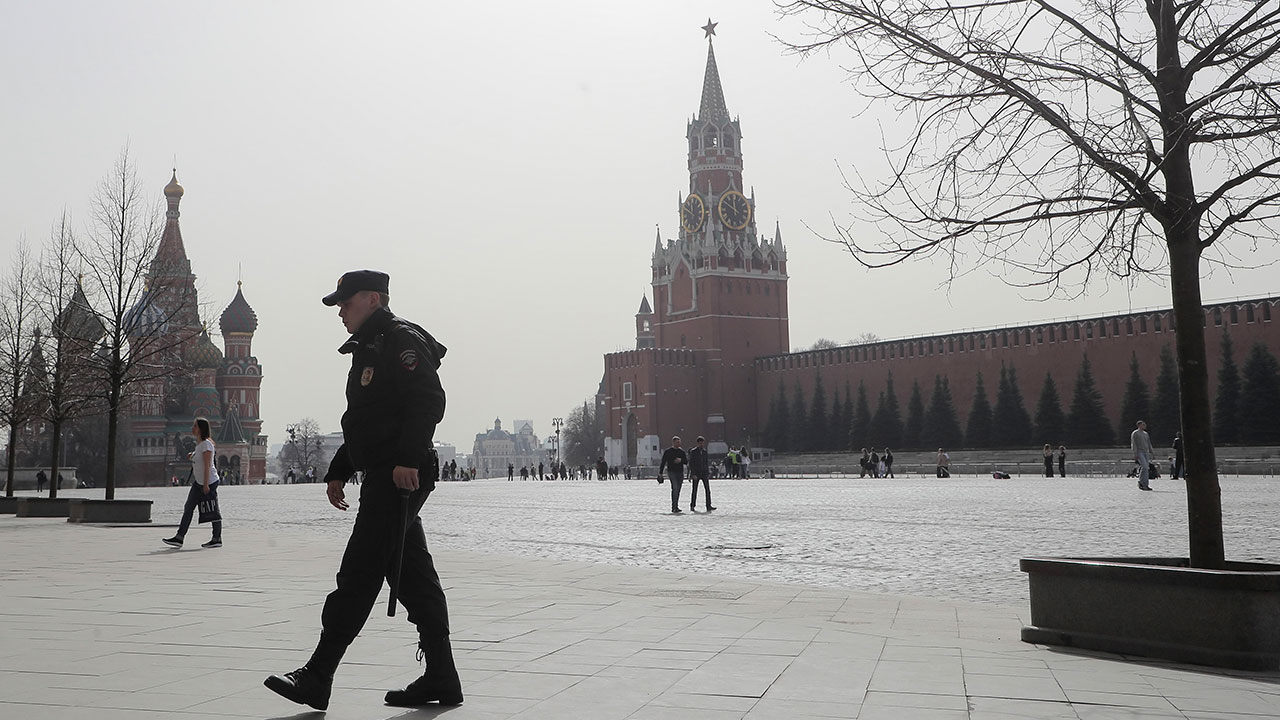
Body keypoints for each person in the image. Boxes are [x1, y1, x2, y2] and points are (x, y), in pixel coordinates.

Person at [265, 270, 461, 710]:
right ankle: (442, 677)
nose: (340, 311)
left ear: (373, 299)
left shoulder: (398, 341)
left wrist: (408, 458)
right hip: (386, 472)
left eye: (346, 302)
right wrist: (340, 466)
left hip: (399, 476)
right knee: (412, 576)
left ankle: (318, 675)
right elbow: (369, 420)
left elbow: (428, 400)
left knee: (360, 571)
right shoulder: (371, 347)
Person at [163, 417, 222, 549]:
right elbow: (198, 456)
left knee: (212, 509)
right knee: (188, 508)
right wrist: (192, 455)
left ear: (201, 429)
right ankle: (179, 538)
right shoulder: (200, 444)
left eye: (195, 426)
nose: (192, 428)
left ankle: (217, 538)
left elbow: (207, 465)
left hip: (209, 482)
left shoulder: (206, 444)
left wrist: (206, 485)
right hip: (199, 483)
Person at [657, 436, 687, 513]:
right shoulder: (668, 451)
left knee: (678, 489)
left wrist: (681, 460)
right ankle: (674, 506)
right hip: (671, 471)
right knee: (675, 488)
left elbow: (686, 461)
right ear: (673, 442)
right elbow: (663, 462)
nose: (679, 443)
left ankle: (676, 505)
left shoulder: (682, 452)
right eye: (677, 442)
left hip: (680, 472)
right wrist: (660, 472)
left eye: (679, 442)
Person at [688, 436, 714, 512]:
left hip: (704, 473)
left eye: (703, 443)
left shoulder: (705, 451)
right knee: (695, 490)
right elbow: (691, 463)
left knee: (707, 490)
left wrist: (708, 472)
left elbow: (706, 462)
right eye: (700, 443)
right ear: (697, 443)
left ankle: (708, 505)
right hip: (696, 473)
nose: (702, 444)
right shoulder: (693, 451)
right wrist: (692, 474)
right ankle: (692, 505)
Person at [1131, 420, 1154, 491]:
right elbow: (1133, 443)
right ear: (1139, 425)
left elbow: (1148, 443)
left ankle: (1144, 484)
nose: (1145, 426)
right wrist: (1135, 453)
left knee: (1146, 468)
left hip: (1146, 452)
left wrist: (1151, 451)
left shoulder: (1146, 434)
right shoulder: (1135, 433)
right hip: (1139, 451)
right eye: (1143, 424)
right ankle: (1142, 482)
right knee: (1144, 466)